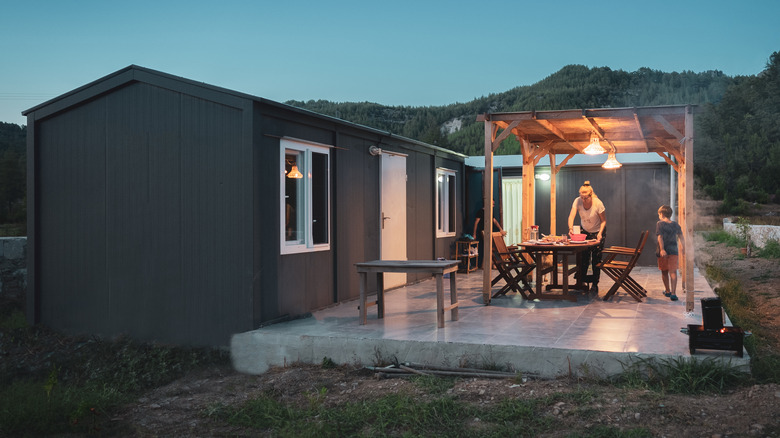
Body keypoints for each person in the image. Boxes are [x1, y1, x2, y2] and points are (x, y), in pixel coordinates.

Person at [567, 181, 606, 293]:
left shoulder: (598, 203)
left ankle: (595, 283)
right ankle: (581, 281)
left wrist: (600, 234)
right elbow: (571, 216)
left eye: (585, 198)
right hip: (585, 230)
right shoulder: (577, 201)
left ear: (591, 195)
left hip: (598, 230)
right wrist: (570, 228)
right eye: (581, 197)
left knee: (596, 258)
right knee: (583, 257)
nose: (583, 200)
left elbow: (604, 221)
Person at [656, 204, 684, 301]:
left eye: (659, 214)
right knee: (673, 271)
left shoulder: (660, 224)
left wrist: (662, 249)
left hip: (663, 251)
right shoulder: (675, 224)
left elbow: (660, 237)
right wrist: (684, 247)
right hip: (673, 251)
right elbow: (681, 236)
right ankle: (673, 293)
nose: (659, 216)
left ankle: (667, 291)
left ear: (662, 214)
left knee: (664, 271)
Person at [472, 199, 506, 266]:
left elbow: (495, 221)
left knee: (490, 248)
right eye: (492, 204)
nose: (493, 206)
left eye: (494, 204)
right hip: (483, 231)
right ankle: (487, 264)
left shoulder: (490, 212)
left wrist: (501, 229)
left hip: (490, 232)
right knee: (488, 247)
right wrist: (474, 234)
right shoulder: (481, 212)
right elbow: (476, 223)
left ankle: (489, 264)